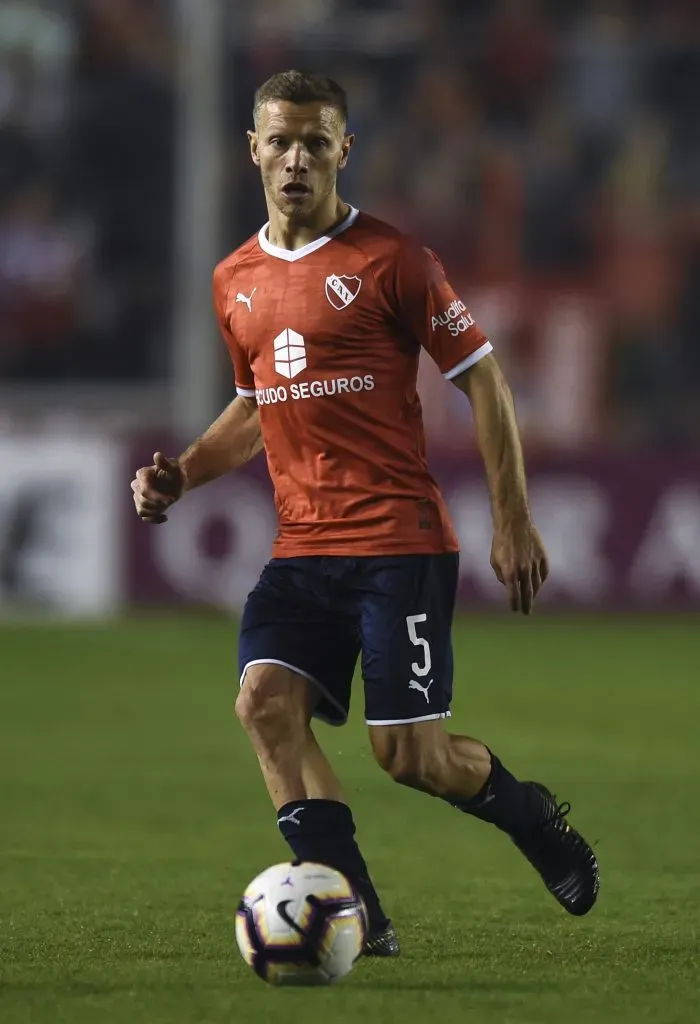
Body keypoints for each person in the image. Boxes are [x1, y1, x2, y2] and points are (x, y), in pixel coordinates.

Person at [131, 70, 600, 956]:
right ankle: (355, 913)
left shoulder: (395, 264)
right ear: (253, 151)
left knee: (409, 759)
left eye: (316, 141)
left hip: (399, 544)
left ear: (346, 149)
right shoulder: (234, 279)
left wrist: (512, 518)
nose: (297, 158)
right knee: (265, 703)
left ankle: (532, 815)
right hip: (302, 549)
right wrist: (184, 475)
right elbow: (254, 407)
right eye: (281, 140)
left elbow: (487, 382)